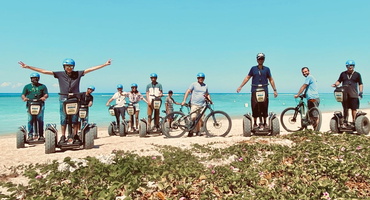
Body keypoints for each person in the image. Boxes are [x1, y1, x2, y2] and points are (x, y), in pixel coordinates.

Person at [19, 58, 111, 144]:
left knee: (75, 119)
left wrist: (104, 64)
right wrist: (28, 67)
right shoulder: (60, 74)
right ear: (64, 67)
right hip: (63, 98)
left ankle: (75, 135)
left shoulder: (77, 74)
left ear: (73, 67)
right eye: (67, 66)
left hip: (75, 99)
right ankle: (63, 136)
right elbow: (45, 71)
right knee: (63, 119)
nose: (69, 68)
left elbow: (90, 69)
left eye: (71, 66)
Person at [236, 53, 278, 130]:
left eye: (262, 59)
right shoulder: (253, 69)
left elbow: (271, 79)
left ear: (264, 59)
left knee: (264, 106)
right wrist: (240, 86)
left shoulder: (267, 69)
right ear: (257, 59)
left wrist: (274, 90)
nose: (260, 60)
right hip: (255, 90)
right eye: (259, 59)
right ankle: (255, 123)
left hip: (264, 90)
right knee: (255, 106)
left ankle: (265, 123)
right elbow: (247, 78)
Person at [331, 60, 363, 127]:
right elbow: (339, 81)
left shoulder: (357, 74)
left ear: (353, 66)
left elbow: (360, 84)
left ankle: (354, 122)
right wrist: (335, 84)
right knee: (345, 108)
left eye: (351, 65)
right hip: (344, 94)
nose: (350, 67)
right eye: (348, 66)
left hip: (354, 94)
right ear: (346, 66)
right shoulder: (343, 74)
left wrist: (361, 92)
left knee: (354, 109)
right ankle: (345, 121)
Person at [181, 72, 211, 137]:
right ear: (197, 78)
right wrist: (184, 100)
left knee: (200, 119)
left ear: (204, 78)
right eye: (199, 78)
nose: (201, 79)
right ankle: (191, 131)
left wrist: (210, 100)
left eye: (202, 78)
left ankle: (198, 131)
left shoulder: (205, 86)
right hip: (194, 104)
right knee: (193, 117)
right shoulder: (193, 84)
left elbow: (207, 94)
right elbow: (188, 91)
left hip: (202, 104)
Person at [21, 73, 49, 141]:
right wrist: (24, 98)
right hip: (30, 104)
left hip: (40, 104)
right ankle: (30, 135)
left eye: (36, 78)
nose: (34, 79)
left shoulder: (42, 86)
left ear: (38, 78)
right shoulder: (27, 86)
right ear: (31, 79)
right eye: (33, 78)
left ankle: (41, 135)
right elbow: (23, 94)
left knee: (40, 120)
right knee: (30, 120)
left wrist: (44, 97)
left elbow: (46, 94)